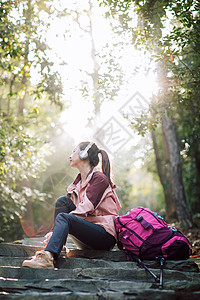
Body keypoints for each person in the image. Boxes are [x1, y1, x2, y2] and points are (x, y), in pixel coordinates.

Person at [22, 141, 121, 268]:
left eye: (74, 151)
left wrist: (61, 225)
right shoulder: (76, 184)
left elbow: (86, 207)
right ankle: (58, 248)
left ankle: (47, 258)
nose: (70, 155)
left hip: (103, 236)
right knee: (63, 201)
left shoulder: (100, 179)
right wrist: (54, 232)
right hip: (86, 234)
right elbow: (68, 214)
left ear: (84, 154)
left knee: (65, 217)